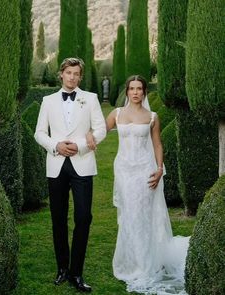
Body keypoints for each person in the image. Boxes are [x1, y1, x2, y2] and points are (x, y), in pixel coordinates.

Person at [87, 75, 189, 295]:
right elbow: (100, 133)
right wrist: (89, 135)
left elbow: (158, 144)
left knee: (142, 216)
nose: (135, 92)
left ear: (143, 92)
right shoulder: (116, 114)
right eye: (131, 88)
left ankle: (144, 265)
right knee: (128, 215)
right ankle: (130, 261)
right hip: (124, 171)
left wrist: (160, 169)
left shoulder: (152, 116)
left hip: (145, 170)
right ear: (127, 91)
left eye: (139, 89)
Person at [34, 57, 106, 293]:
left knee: (84, 217)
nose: (73, 77)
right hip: (56, 164)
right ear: (61, 74)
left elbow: (101, 129)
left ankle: (76, 272)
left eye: (77, 74)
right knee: (58, 219)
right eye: (69, 73)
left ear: (80, 76)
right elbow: (40, 133)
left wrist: (81, 146)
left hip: (82, 163)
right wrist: (56, 145)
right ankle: (62, 269)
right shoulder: (48, 101)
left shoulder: (91, 99)